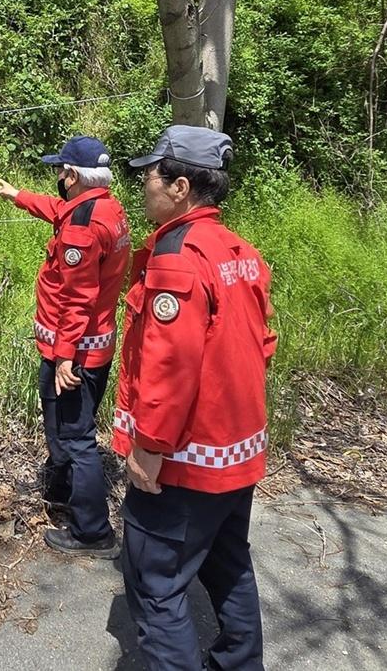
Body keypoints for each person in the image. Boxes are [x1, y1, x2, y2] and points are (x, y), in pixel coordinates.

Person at [112, 125, 277, 671]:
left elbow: (169, 366)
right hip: (236, 450)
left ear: (180, 187)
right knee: (228, 564)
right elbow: (262, 343)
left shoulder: (178, 256)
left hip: (184, 460)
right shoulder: (238, 250)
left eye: (150, 177)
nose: (143, 188)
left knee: (156, 583)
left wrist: (149, 445)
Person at [0, 135, 131, 557]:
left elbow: (78, 298)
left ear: (71, 175)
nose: (58, 176)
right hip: (92, 346)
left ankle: (92, 531)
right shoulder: (105, 207)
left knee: (76, 436)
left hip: (74, 354)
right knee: (60, 423)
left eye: (60, 169)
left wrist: (65, 358)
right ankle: (62, 492)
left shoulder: (83, 229)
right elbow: (56, 209)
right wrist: (18, 196)